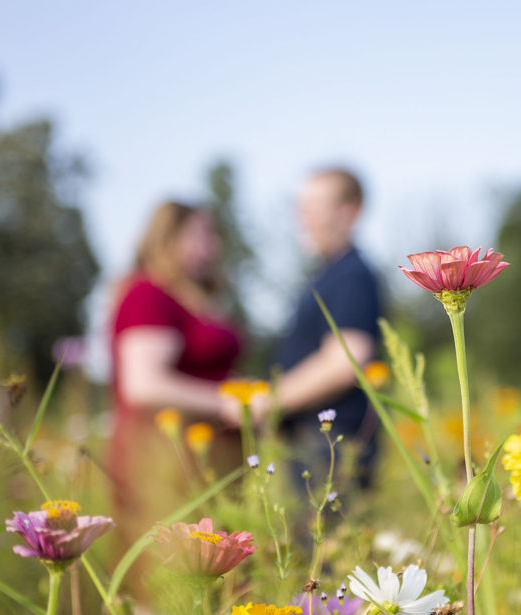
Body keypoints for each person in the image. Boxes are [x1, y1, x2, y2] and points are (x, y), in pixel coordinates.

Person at [107, 200, 253, 592]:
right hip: (163, 464)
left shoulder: (193, 296)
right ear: (167, 237)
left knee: (213, 588)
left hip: (204, 465)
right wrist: (227, 400)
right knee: (164, 584)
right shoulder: (147, 294)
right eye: (202, 234)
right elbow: (144, 384)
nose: (213, 246)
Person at [271, 167, 382, 491]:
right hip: (318, 442)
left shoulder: (352, 275)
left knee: (322, 537)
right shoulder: (330, 274)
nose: (301, 218)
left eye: (312, 208)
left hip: (332, 445)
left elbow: (347, 359)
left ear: (349, 212)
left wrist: (268, 402)